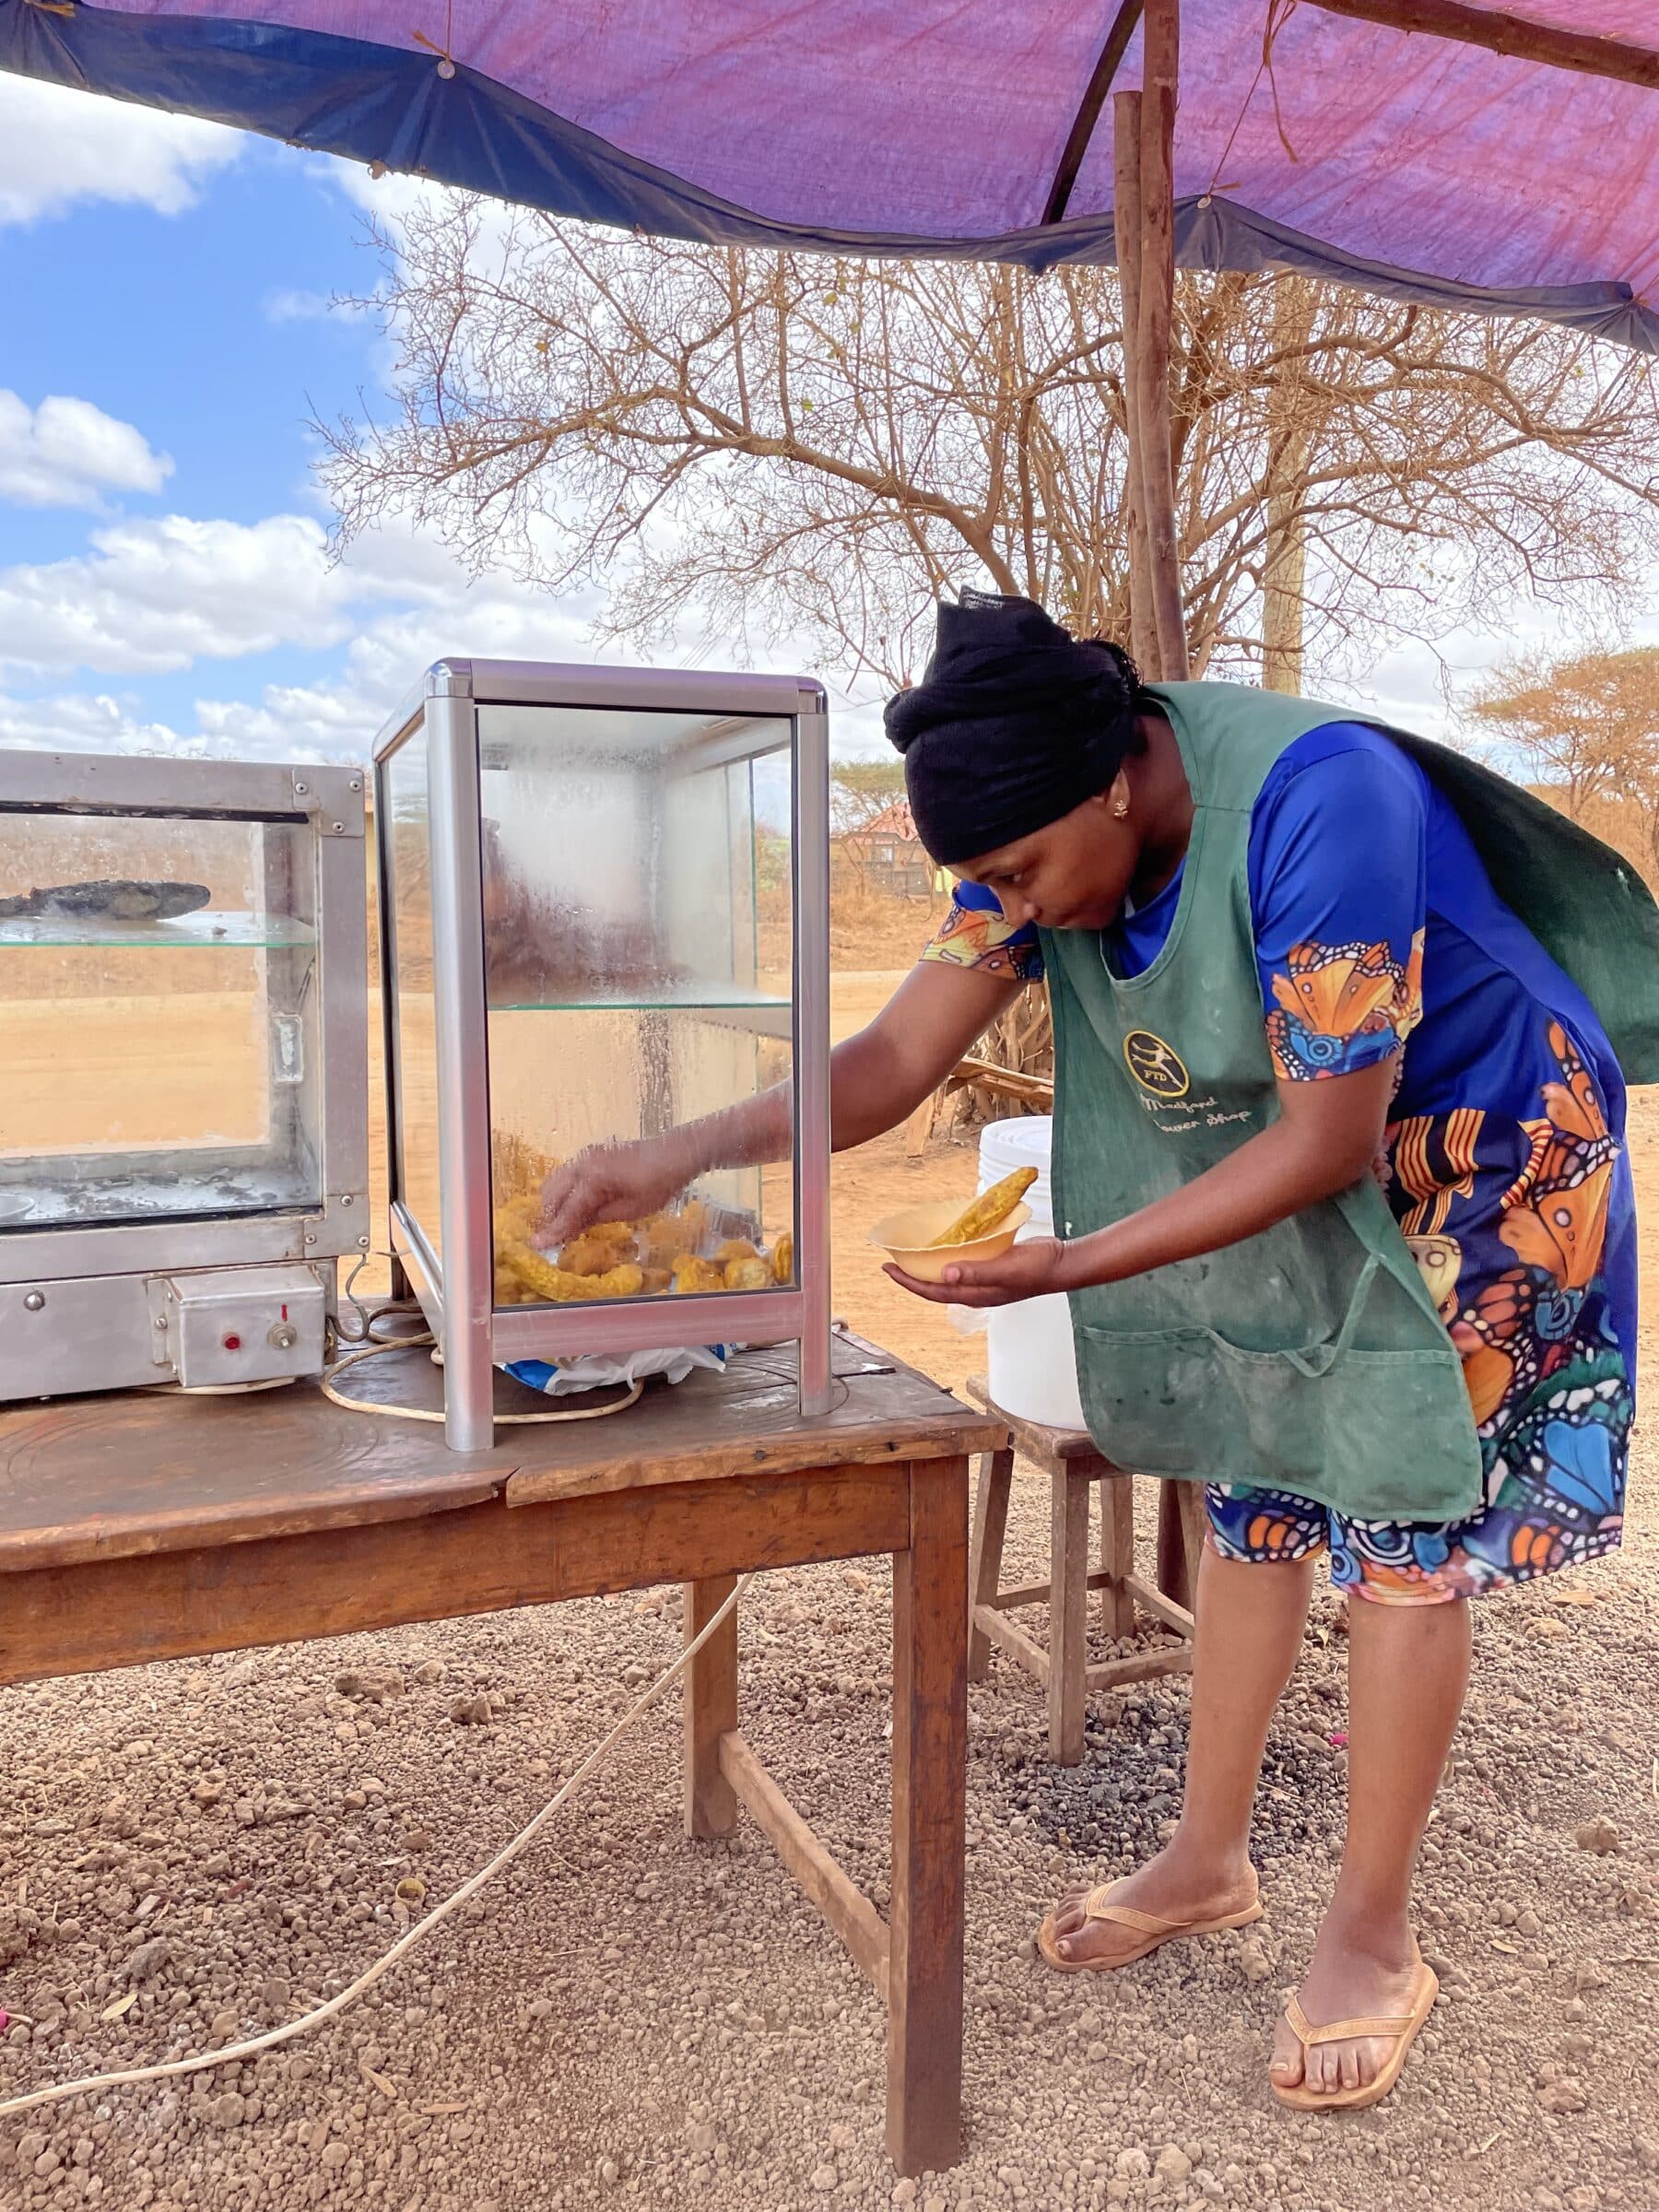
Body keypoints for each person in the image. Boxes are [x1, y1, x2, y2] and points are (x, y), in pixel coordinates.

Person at [541, 591, 1651, 2114]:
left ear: (1119, 777)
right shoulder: (1041, 823)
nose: (1010, 904)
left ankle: (1373, 1938)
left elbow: (1334, 1133)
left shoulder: (1324, 798)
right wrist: (679, 1152)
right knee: (1254, 1482)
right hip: (1304, 1140)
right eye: (982, 882)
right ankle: (1207, 1859)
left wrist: (1066, 1263)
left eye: (1016, 873)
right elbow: (888, 1062)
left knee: (1407, 1525)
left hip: (1490, 1148)